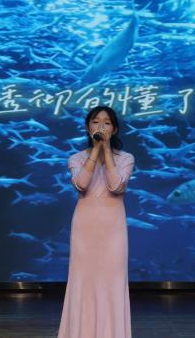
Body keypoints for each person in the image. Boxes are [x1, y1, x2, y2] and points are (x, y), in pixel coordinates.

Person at [58, 105, 135, 338]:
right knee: (83, 280)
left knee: (112, 281)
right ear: (87, 127)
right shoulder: (76, 158)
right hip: (85, 226)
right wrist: (95, 151)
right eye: (95, 121)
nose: (101, 126)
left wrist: (107, 150)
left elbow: (116, 186)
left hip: (113, 228)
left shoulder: (126, 158)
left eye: (107, 122)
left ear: (115, 129)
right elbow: (81, 184)